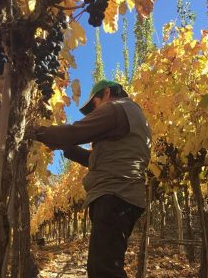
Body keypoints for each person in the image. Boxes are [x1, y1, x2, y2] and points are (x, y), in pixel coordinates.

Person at [26, 79, 152, 277]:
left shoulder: (116, 109)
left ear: (107, 93)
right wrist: (68, 148)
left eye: (94, 104)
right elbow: (97, 159)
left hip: (114, 196)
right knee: (100, 268)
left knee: (105, 271)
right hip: (124, 196)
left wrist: (35, 131)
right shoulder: (134, 116)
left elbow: (76, 131)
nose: (94, 112)